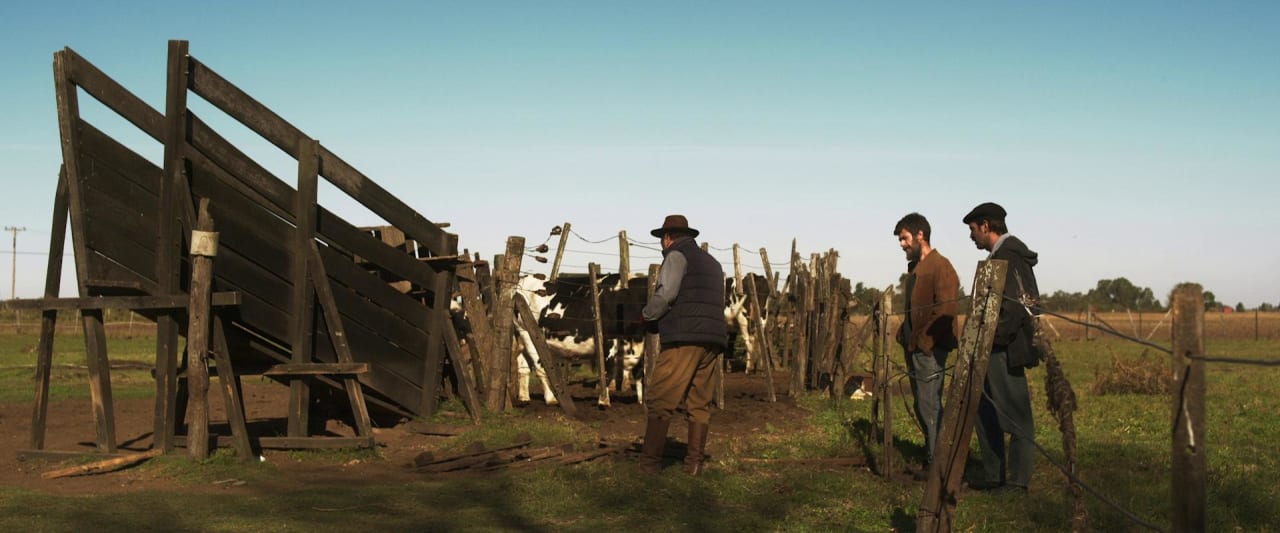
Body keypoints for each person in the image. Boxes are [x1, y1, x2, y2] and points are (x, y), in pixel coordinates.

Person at [639, 214, 728, 475]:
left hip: (684, 338)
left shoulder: (676, 256)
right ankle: (694, 465)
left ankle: (650, 465)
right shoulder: (712, 262)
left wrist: (647, 315)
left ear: (667, 238)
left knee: (660, 399)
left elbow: (667, 294)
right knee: (699, 402)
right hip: (712, 340)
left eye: (661, 239)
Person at [963, 202, 1041, 493]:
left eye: (973, 230)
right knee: (985, 412)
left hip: (1005, 350)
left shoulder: (1010, 256)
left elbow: (1018, 308)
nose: (971, 236)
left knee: (1017, 418)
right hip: (991, 349)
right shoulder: (999, 256)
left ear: (985, 226)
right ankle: (995, 475)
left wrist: (989, 342)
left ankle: (1018, 482)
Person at [892, 213, 960, 470]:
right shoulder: (916, 268)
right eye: (900, 240)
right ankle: (933, 455)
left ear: (920, 235)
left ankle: (938, 464)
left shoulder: (941, 266)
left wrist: (924, 342)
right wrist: (905, 333)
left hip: (930, 350)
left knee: (931, 406)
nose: (902, 244)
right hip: (915, 349)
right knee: (923, 404)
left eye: (905, 238)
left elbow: (945, 310)